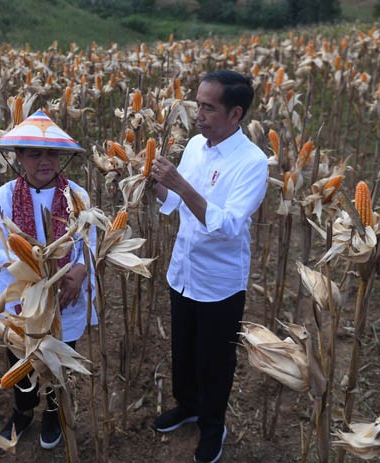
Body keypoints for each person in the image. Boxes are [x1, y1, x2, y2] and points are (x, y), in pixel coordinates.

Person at [149, 70, 268, 463]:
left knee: (214, 361)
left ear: (235, 114)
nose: (197, 114)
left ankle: (213, 427)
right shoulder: (197, 146)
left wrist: (180, 184)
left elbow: (228, 226)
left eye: (208, 108)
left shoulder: (252, 163)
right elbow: (175, 202)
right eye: (197, 104)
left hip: (219, 283)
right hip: (183, 272)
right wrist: (152, 182)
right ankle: (188, 406)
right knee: (183, 352)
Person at [0, 111, 95, 449]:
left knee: (60, 357)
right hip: (24, 299)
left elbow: (88, 242)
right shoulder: (4, 197)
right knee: (21, 357)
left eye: (51, 153)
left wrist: (79, 270)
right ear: (19, 156)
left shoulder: (76, 195)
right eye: (35, 154)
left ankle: (53, 411)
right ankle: (23, 410)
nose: (45, 161)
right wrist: (31, 274)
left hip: (65, 298)